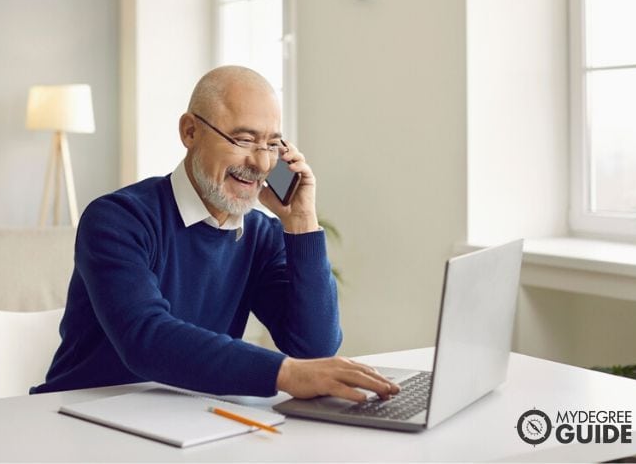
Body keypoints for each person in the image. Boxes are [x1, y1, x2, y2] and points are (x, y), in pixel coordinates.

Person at [31, 66, 398, 402]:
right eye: (243, 140)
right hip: (82, 415)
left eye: (272, 144)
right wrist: (283, 373)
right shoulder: (118, 219)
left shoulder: (261, 235)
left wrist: (301, 222)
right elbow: (146, 338)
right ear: (190, 132)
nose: (261, 162)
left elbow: (314, 348)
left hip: (188, 414)